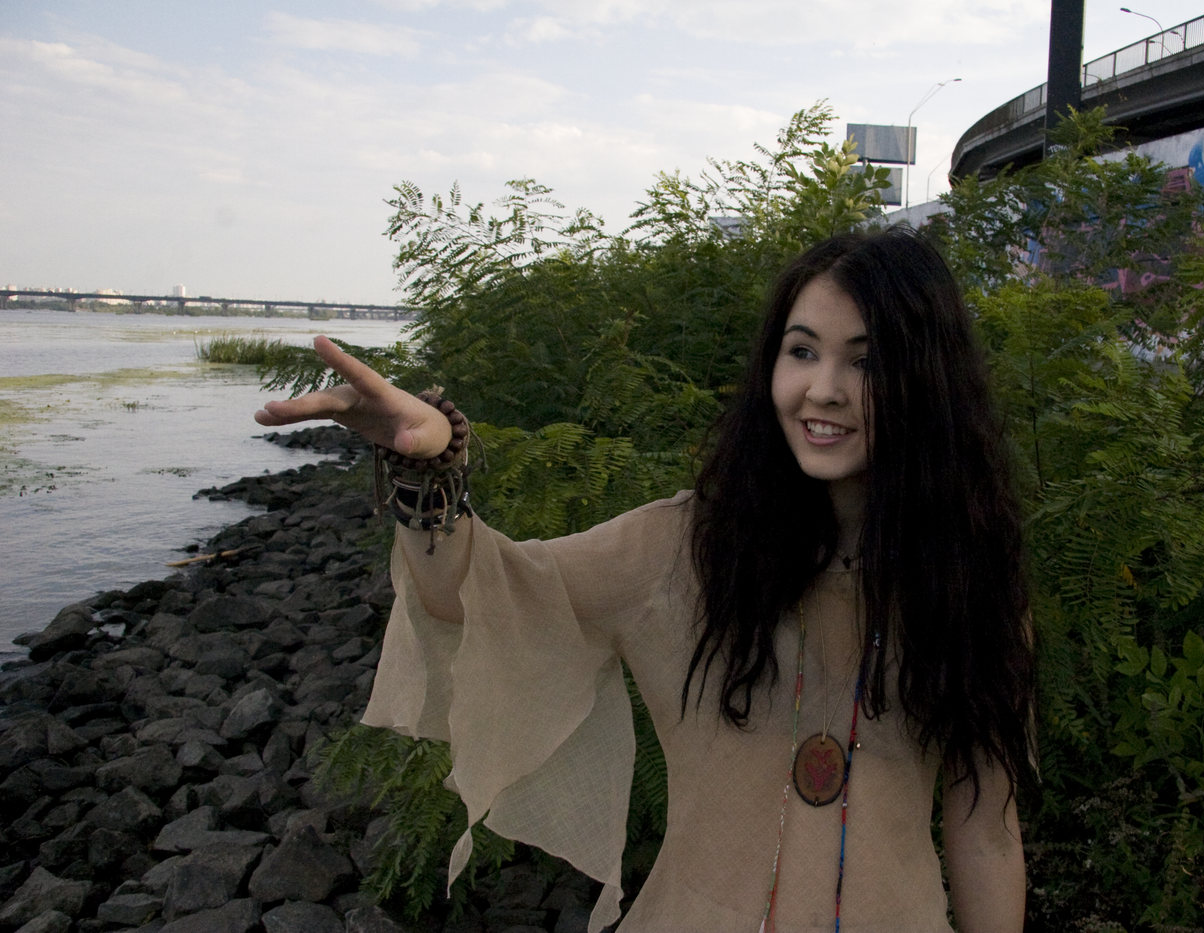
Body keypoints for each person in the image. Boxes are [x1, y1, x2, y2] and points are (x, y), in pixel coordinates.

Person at [254, 227, 1036, 933]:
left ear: (929, 379)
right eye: (802, 351)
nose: (823, 388)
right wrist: (430, 472)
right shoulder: (683, 548)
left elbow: (988, 831)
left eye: (865, 361)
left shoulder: (970, 588)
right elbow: (477, 593)